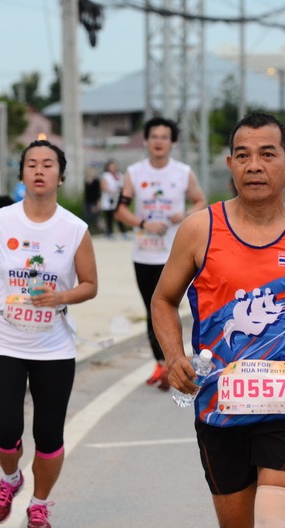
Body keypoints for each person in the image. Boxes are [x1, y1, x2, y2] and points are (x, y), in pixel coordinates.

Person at [152, 112, 285, 528]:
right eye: (243, 155)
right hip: (220, 407)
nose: (254, 165)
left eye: (267, 154)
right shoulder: (199, 230)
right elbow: (163, 299)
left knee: (275, 523)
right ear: (230, 164)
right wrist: (174, 356)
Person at [0, 137, 98, 528]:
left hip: (53, 345)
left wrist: (61, 296)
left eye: (48, 165)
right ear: (22, 174)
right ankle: (11, 479)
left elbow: (90, 284)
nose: (39, 170)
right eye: (32, 164)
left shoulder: (74, 229)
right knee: (5, 431)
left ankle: (39, 504)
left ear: (61, 176)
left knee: (49, 435)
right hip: (4, 338)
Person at [114, 117, 206, 390]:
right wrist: (143, 223)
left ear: (173, 142)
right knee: (151, 308)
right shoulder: (135, 172)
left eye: (164, 137)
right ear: (146, 141)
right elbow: (120, 210)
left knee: (173, 306)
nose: (159, 142)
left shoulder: (183, 172)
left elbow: (200, 201)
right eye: (154, 136)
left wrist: (184, 214)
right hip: (145, 252)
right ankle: (162, 363)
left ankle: (179, 360)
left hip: (175, 253)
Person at [99, 159, 128, 238]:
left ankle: (123, 232)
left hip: (118, 199)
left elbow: (124, 185)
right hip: (109, 199)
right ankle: (109, 232)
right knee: (109, 217)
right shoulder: (106, 175)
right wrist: (111, 191)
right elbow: (103, 187)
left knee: (119, 215)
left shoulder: (119, 175)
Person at [82, 165, 101, 232]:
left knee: (95, 217)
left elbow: (98, 192)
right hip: (87, 202)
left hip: (94, 202)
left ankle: (100, 229)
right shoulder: (86, 181)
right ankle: (87, 231)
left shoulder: (96, 181)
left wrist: (98, 202)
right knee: (86, 217)